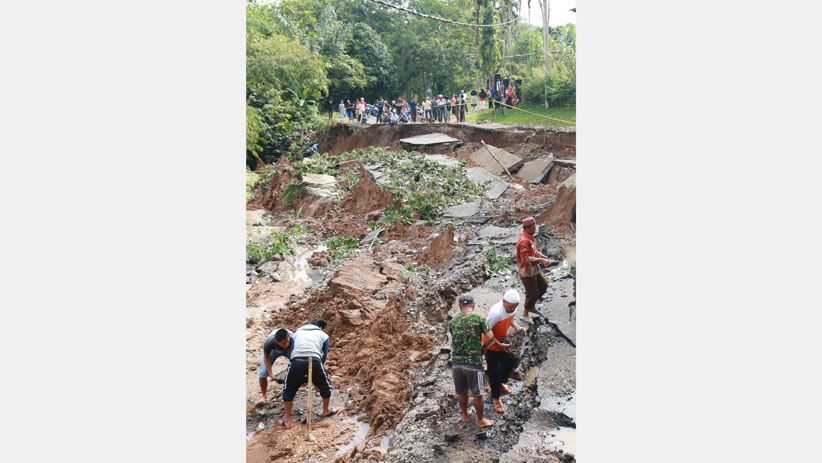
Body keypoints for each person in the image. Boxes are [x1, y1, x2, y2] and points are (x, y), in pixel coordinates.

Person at [450, 293, 505, 429]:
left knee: (461, 391)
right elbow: (490, 337)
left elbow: (455, 337)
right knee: (478, 393)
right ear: (473, 306)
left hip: (456, 363)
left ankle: (464, 415)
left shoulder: (453, 321)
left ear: (460, 307)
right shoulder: (479, 317)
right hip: (473, 363)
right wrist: (483, 349)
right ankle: (480, 420)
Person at [282, 319, 334, 429]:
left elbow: (292, 350)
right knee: (325, 386)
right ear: (320, 327)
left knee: (289, 390)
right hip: (314, 360)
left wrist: (300, 375)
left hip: (296, 361)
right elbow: (324, 356)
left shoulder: (296, 333)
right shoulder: (323, 335)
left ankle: (287, 418)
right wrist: (317, 372)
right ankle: (325, 410)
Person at [483, 290, 528, 413]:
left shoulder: (512, 308)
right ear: (503, 302)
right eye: (509, 306)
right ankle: (495, 398)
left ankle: (501, 384)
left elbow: (510, 319)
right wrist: (499, 345)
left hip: (503, 339)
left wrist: (517, 327)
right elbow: (485, 331)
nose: (512, 309)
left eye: (515, 307)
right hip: (490, 344)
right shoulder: (495, 313)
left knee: (510, 363)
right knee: (493, 371)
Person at [516, 216, 551, 323]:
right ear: (526, 228)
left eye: (534, 227)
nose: (534, 229)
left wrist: (542, 256)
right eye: (532, 228)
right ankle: (525, 314)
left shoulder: (530, 237)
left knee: (543, 286)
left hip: (533, 269)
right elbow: (526, 259)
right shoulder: (524, 241)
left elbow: (533, 251)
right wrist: (541, 260)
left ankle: (531, 304)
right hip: (527, 272)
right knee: (533, 294)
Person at [259, 327, 293, 401]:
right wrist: (270, 373)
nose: (286, 344)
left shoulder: (293, 338)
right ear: (276, 341)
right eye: (284, 343)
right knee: (263, 373)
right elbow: (267, 358)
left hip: (289, 351)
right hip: (274, 351)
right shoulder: (269, 342)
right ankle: (264, 395)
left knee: (299, 366)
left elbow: (295, 357)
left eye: (287, 341)